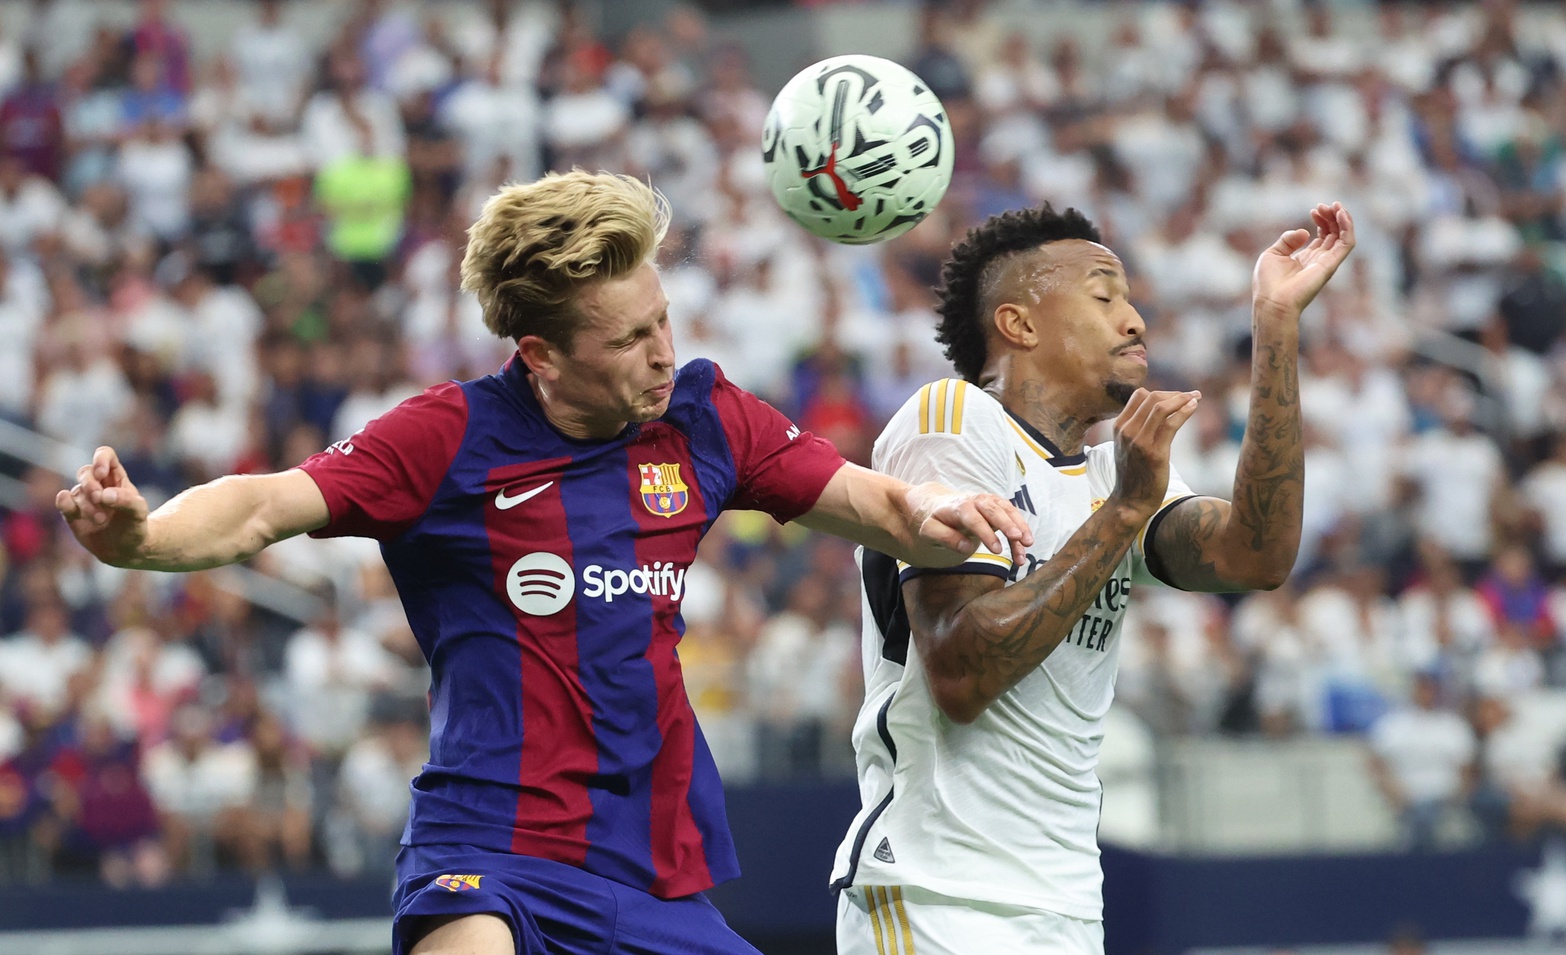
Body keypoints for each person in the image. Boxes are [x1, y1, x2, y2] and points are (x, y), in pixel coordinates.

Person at [55, 170, 1032, 955]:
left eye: (662, 319)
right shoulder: (448, 437)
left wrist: (944, 506)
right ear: (542, 354)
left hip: (656, 866)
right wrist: (140, 540)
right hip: (489, 852)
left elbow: (875, 502)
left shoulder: (705, 417)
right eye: (629, 337)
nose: (663, 352)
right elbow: (265, 502)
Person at [831, 201, 1355, 954]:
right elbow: (961, 670)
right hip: (937, 895)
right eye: (1104, 295)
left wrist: (1275, 324)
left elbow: (1258, 555)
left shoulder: (1109, 476)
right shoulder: (952, 417)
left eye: (1131, 298)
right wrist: (1124, 511)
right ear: (1019, 324)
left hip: (1067, 905)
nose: (1135, 319)